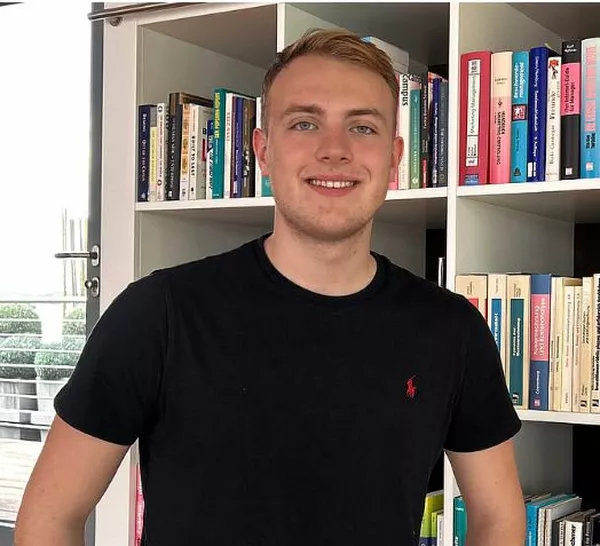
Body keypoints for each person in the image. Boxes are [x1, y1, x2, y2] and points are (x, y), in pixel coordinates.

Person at [15, 28, 526, 546]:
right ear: (263, 151)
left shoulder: (452, 329)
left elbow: (498, 521)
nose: (334, 150)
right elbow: (50, 518)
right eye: (305, 123)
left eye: (363, 127)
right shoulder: (159, 314)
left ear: (394, 157)